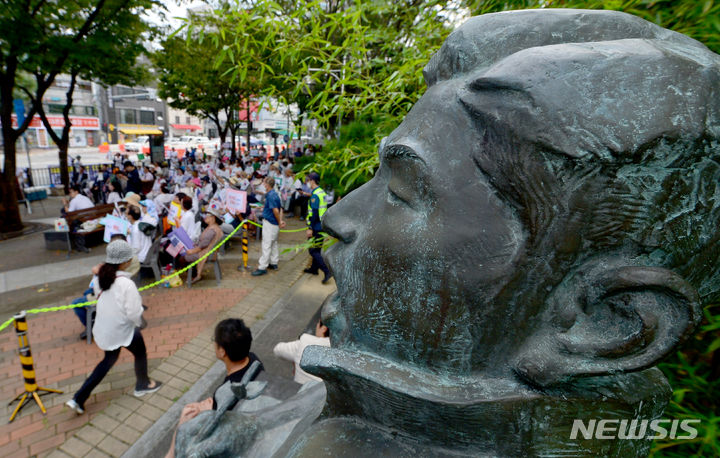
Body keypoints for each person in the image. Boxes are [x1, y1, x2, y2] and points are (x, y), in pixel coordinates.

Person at [65, 240, 161, 415]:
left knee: (107, 362)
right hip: (123, 329)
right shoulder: (126, 284)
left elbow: (98, 296)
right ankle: (143, 384)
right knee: (140, 353)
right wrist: (141, 322)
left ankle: (78, 398)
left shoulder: (100, 278)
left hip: (106, 329)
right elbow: (133, 313)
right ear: (125, 261)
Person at [165, 318, 263, 458]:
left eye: (214, 340)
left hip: (236, 437)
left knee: (186, 414)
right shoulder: (254, 360)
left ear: (222, 351)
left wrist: (207, 411)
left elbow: (220, 424)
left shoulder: (227, 392)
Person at [177, 204, 224, 283]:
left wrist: (192, 251)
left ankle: (194, 275)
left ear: (213, 218)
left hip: (206, 253)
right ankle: (193, 273)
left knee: (182, 258)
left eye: (207, 215)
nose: (205, 216)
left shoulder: (211, 230)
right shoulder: (213, 227)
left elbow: (203, 246)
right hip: (209, 251)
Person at [273, 320, 330, 384]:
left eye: (318, 324)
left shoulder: (306, 341)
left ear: (324, 328)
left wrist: (296, 356)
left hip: (300, 391)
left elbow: (278, 349)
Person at [250, 177, 285, 276]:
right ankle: (274, 262)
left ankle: (262, 266)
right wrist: (280, 221)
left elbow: (276, 210)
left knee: (266, 244)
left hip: (270, 223)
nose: (262, 185)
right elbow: (279, 208)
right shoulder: (274, 194)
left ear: (266, 185)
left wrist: (279, 221)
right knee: (273, 243)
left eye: (264, 183)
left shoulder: (270, 196)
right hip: (274, 223)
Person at [303, 172, 331, 283]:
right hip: (321, 226)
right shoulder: (321, 192)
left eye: (308, 180)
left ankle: (327, 270)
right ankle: (314, 269)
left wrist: (310, 227)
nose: (307, 182)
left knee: (313, 250)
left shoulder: (315, 195)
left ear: (312, 181)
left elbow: (314, 213)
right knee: (317, 248)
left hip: (316, 226)